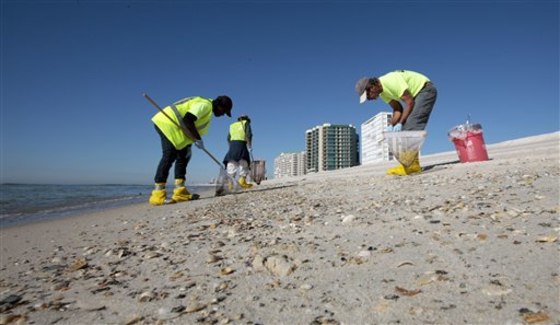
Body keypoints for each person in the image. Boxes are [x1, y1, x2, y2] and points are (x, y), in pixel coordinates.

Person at [149, 95, 233, 205]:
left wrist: (193, 140)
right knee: (169, 156)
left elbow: (190, 125)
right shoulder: (205, 105)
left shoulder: (208, 110)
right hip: (168, 124)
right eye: (224, 111)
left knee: (184, 157)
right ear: (218, 105)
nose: (222, 114)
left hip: (179, 133)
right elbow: (188, 120)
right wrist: (198, 139)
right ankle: (157, 194)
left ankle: (180, 192)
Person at [355, 70, 437, 176]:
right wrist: (391, 124)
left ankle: (411, 167)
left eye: (368, 96)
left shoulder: (390, 82)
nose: (369, 99)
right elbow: (397, 109)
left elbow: (409, 102)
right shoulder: (383, 93)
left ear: (372, 87)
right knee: (405, 130)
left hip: (425, 90)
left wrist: (400, 123)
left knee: (411, 126)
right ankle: (411, 165)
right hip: (414, 96)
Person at [223, 115, 254, 189]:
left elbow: (228, 138)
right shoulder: (246, 123)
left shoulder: (232, 125)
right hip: (241, 144)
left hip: (232, 145)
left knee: (231, 162)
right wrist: (249, 146)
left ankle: (230, 185)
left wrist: (231, 146)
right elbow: (249, 135)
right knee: (244, 162)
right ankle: (242, 181)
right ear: (246, 119)